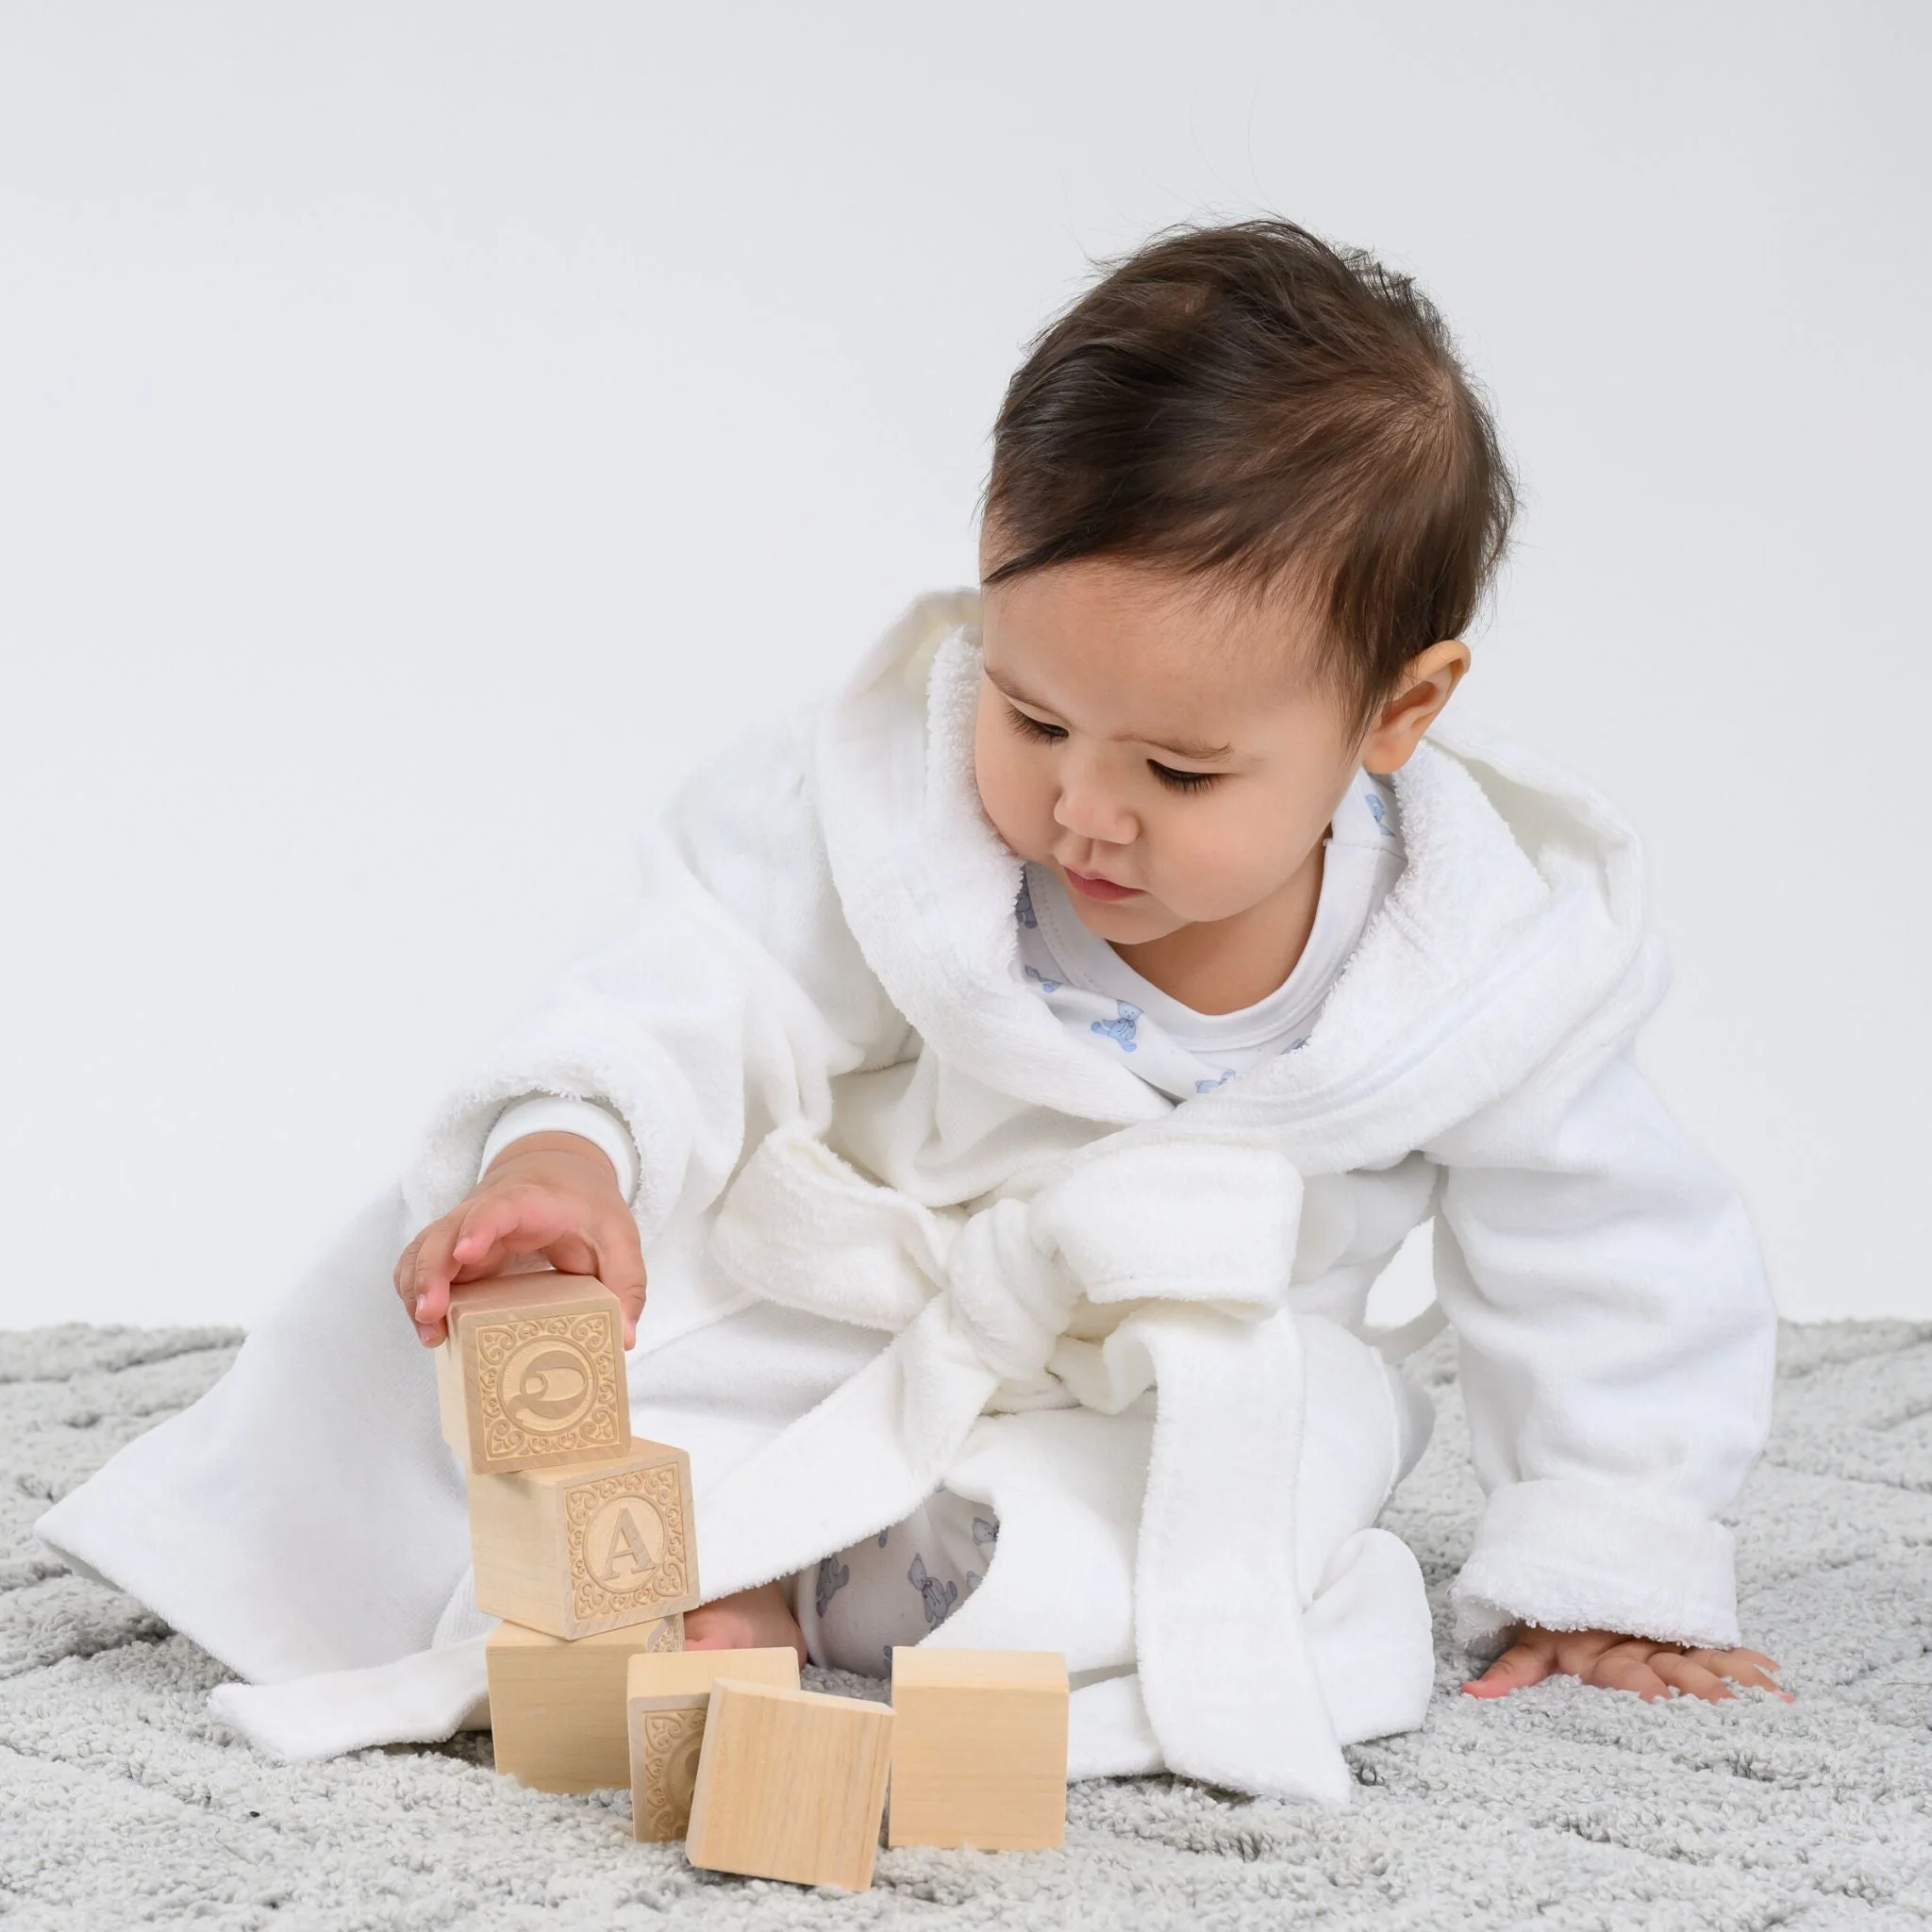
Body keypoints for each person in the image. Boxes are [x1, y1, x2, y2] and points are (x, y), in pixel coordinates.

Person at [38, 219, 1782, 1803]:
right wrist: (569, 1149)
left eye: (1178, 772)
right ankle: (676, 1569)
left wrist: (1610, 1554)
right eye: (1033, 717)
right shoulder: (891, 811)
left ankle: (783, 1591)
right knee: (514, 1337)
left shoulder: (1491, 964)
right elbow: (701, 973)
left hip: (1144, 1397)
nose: (1083, 812)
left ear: (1399, 711)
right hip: (869, 1318)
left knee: (1186, 1548)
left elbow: (1611, 1253)